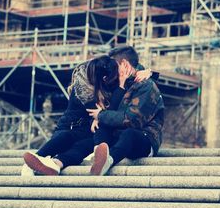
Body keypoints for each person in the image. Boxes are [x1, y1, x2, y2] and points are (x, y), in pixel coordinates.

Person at [22, 55, 152, 176]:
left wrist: (147, 72)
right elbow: (109, 112)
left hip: (89, 130)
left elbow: (127, 69)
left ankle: (57, 164)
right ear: (105, 79)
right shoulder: (85, 90)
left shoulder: (102, 67)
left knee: (84, 145)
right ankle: (34, 161)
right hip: (71, 127)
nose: (119, 76)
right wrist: (121, 85)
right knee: (67, 137)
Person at [87, 46, 165, 176]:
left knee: (129, 134)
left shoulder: (146, 86)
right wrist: (99, 116)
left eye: (113, 65)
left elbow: (132, 120)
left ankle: (107, 160)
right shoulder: (119, 82)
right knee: (102, 125)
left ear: (124, 64)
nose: (110, 69)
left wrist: (101, 115)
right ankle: (98, 155)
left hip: (144, 139)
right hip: (119, 136)